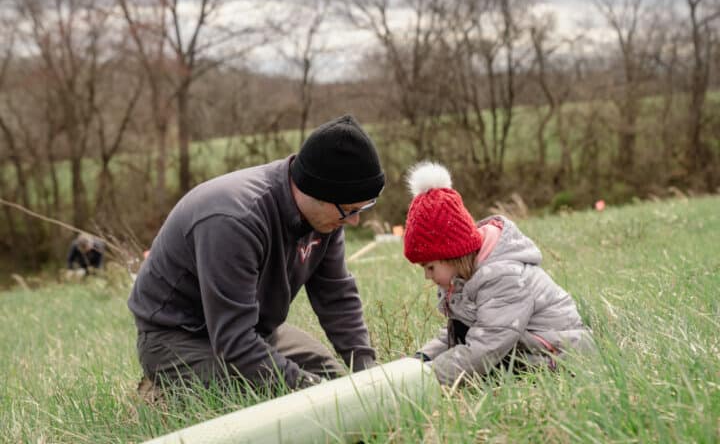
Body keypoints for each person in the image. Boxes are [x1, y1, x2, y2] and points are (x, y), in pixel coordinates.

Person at [128, 115, 384, 393]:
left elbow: (336, 296)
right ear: (317, 192)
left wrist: (366, 371)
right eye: (351, 210)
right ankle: (160, 392)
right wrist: (306, 388)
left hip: (254, 331)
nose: (355, 221)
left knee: (337, 384)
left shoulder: (328, 217)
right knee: (266, 399)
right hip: (177, 337)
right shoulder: (234, 220)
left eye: (362, 208)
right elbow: (233, 340)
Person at [403, 162, 593, 386]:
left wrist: (428, 378)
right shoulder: (464, 279)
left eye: (430, 267)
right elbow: (463, 330)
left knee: (487, 370)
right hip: (520, 350)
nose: (427, 276)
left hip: (559, 355)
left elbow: (487, 345)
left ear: (452, 254)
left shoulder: (503, 278)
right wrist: (424, 357)